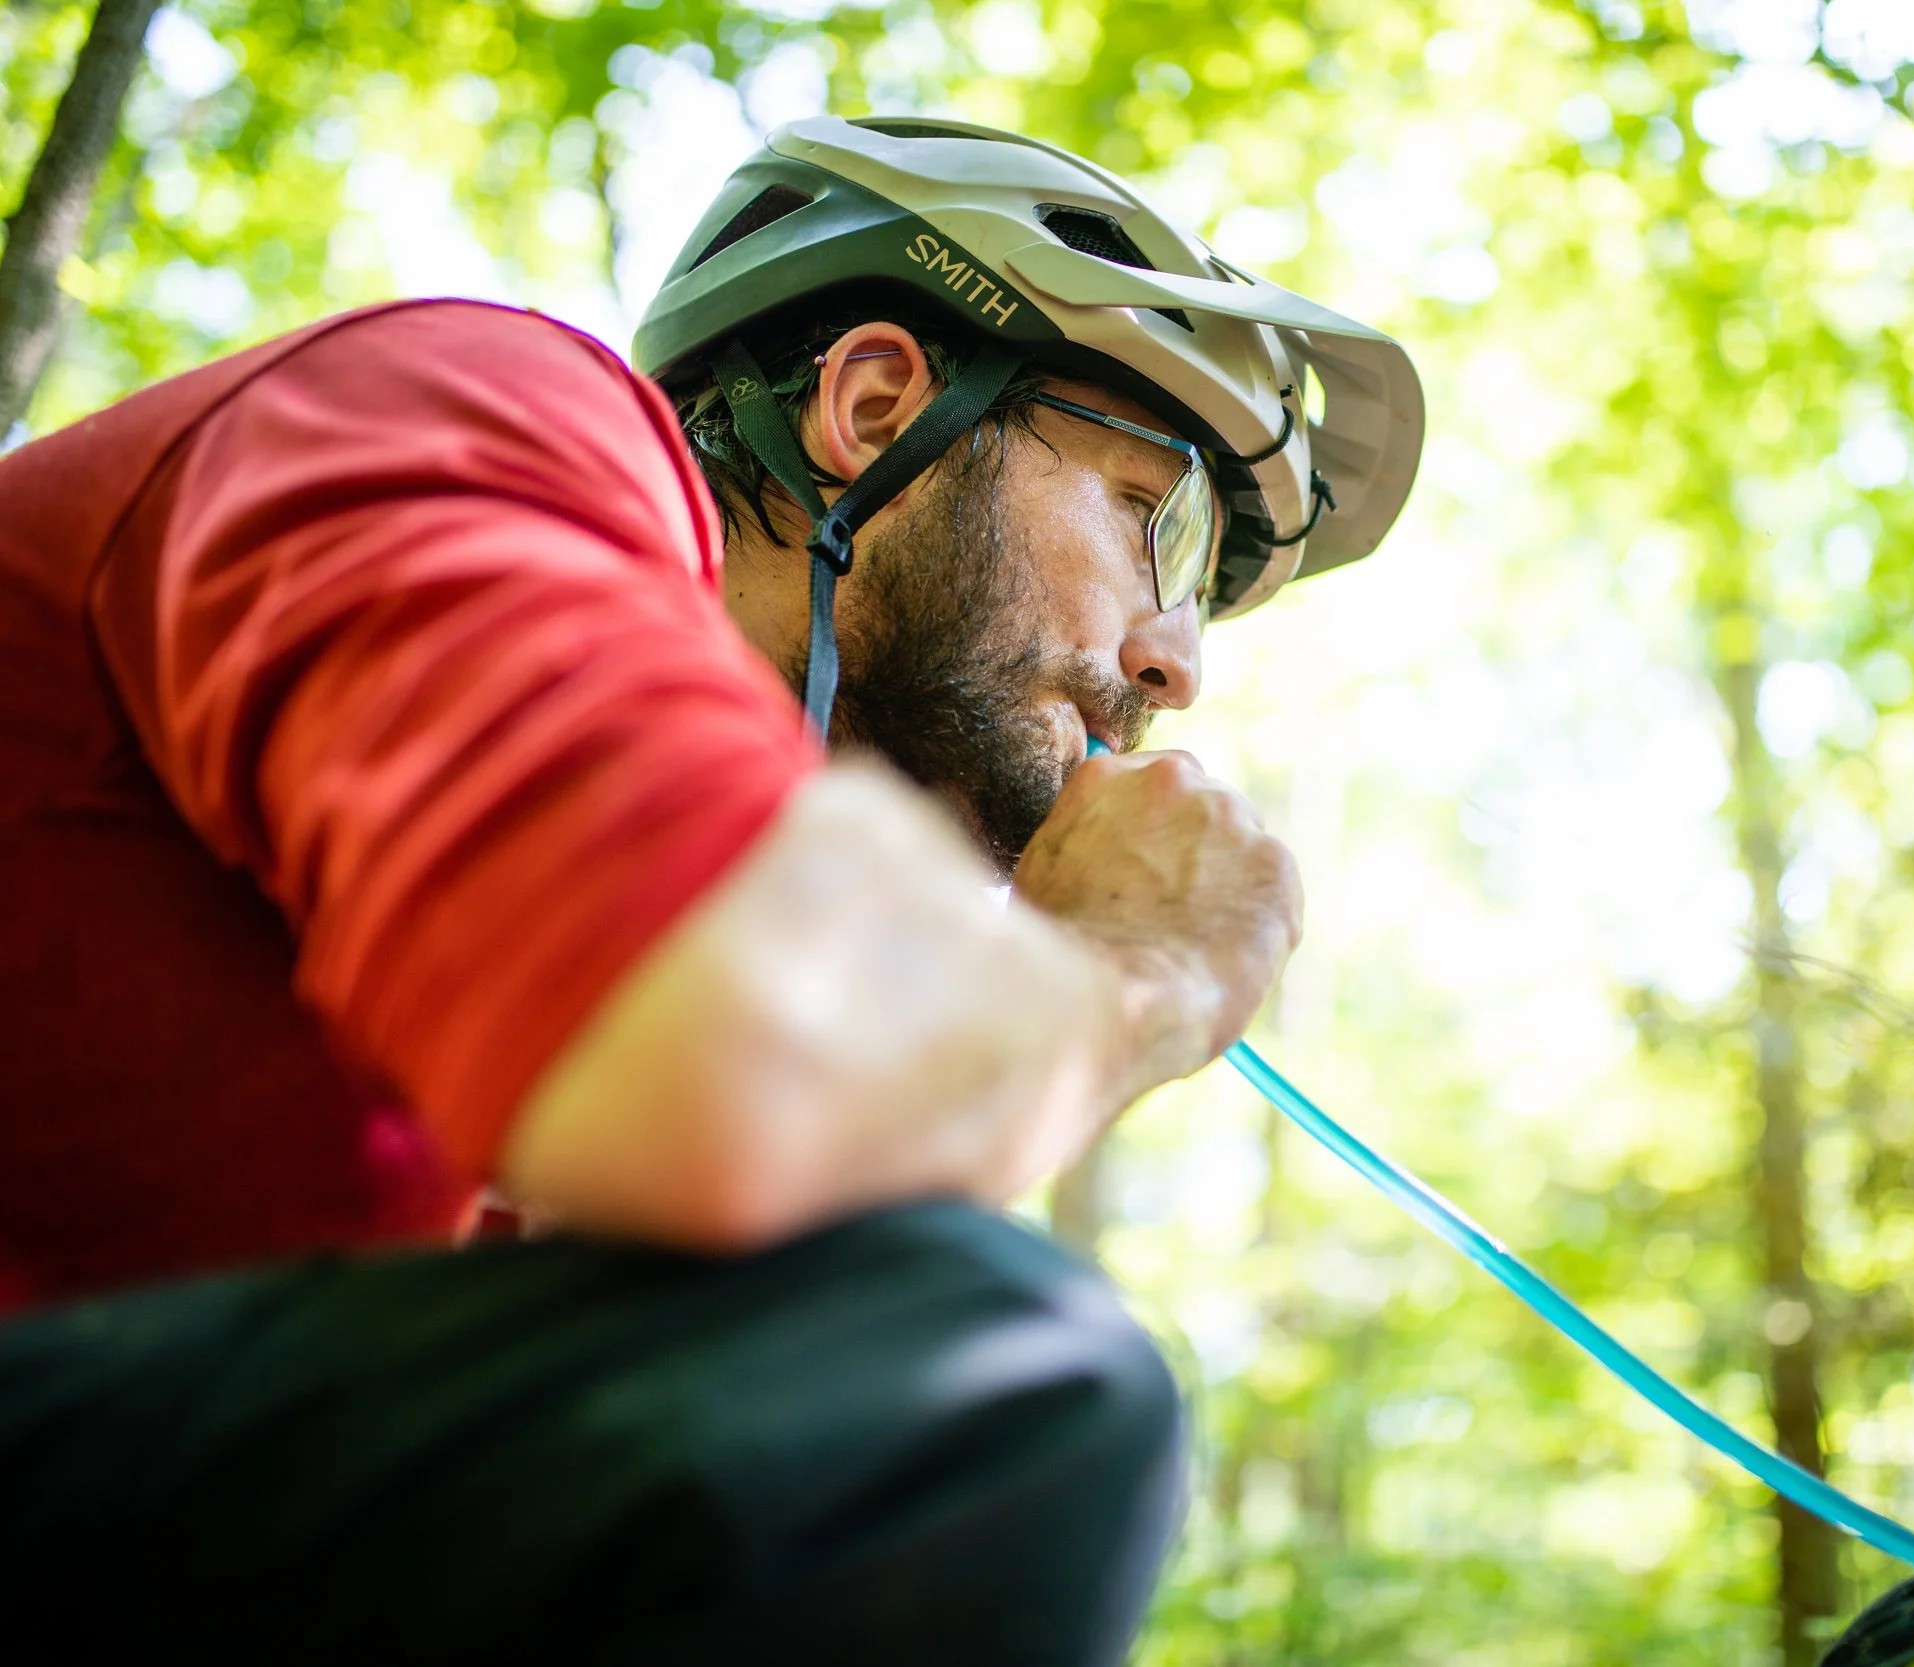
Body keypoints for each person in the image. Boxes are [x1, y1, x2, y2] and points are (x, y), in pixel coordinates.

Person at [0, 113, 1422, 1664]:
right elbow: (748, 1077)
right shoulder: (481, 405)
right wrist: (1164, 965)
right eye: (1156, 521)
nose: (1176, 662)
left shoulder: (569, 1069)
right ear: (876, 405)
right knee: (975, 1379)